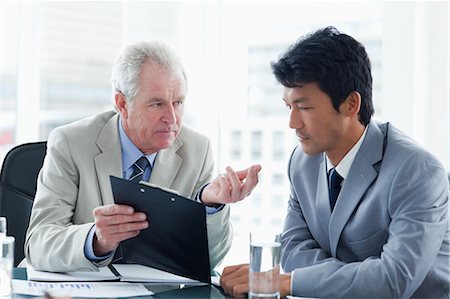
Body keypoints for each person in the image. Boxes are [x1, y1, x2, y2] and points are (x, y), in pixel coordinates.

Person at [220, 26, 449, 298]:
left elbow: (392, 280)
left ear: (351, 104)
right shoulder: (303, 162)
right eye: (288, 107)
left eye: (304, 107)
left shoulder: (418, 171)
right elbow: (293, 250)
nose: (292, 123)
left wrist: (286, 283)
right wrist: (358, 277)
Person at [25, 40, 261, 272]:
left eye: (178, 102)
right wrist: (95, 240)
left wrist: (210, 206)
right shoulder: (71, 143)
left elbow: (210, 260)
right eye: (157, 104)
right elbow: (39, 243)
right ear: (122, 104)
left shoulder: (197, 149)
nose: (172, 118)